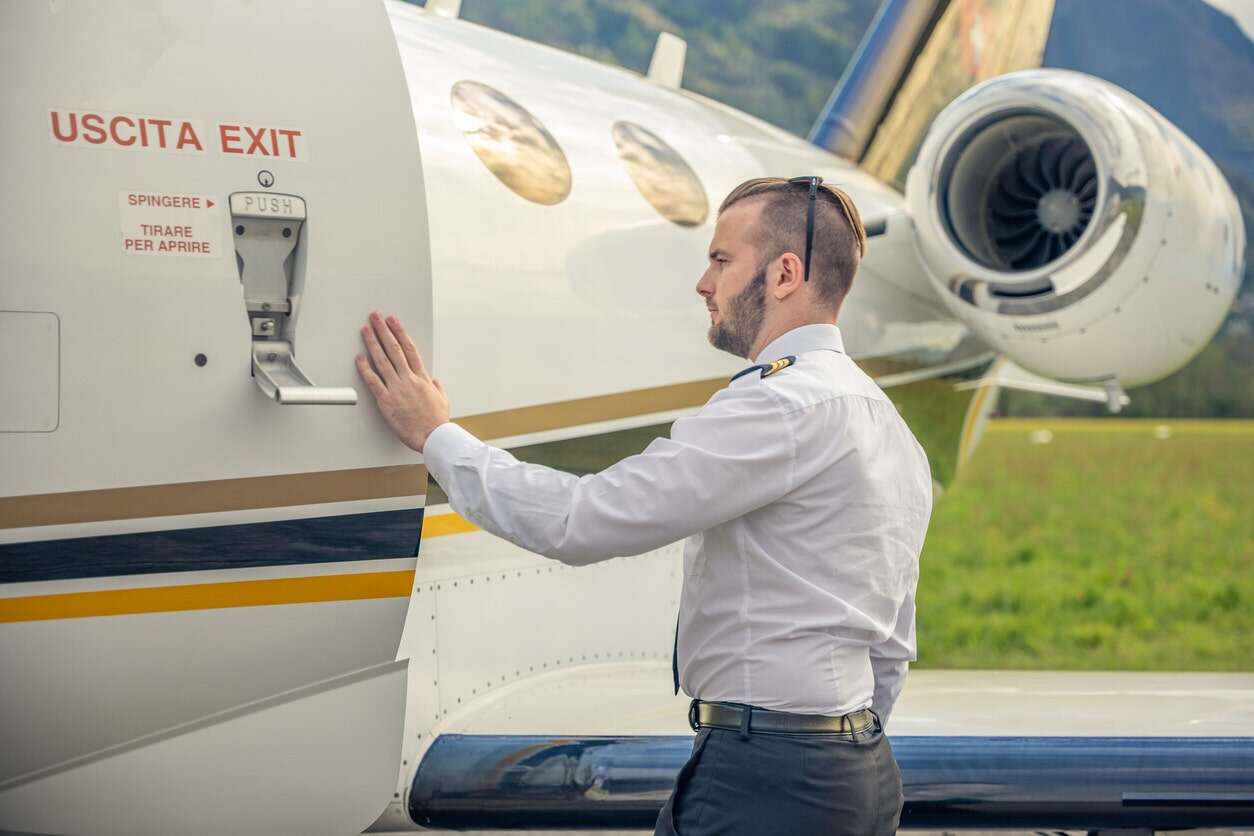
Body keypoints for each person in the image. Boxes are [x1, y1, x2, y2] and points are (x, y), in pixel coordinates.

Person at [354, 176, 933, 836]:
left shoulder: (776, 406)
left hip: (767, 780)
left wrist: (434, 436)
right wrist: (843, 744)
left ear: (784, 274)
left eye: (720, 260)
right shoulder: (888, 426)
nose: (703, 284)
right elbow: (891, 643)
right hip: (859, 773)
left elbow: (579, 520)